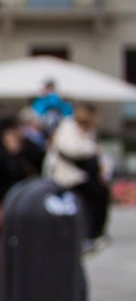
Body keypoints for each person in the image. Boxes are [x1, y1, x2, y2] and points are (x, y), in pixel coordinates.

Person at [44, 103, 112, 252]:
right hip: (68, 176)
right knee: (95, 195)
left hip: (83, 175)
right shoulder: (68, 127)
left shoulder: (88, 131)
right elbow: (71, 148)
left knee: (101, 193)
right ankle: (90, 233)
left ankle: (95, 231)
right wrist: (91, 149)